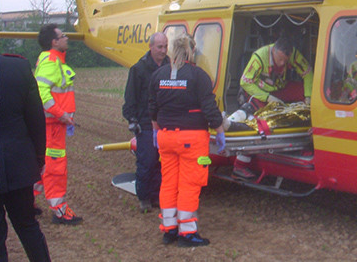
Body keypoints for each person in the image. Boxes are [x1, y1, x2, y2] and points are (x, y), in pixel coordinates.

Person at [148, 34, 225, 247]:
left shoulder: (159, 75)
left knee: (169, 182)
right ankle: (188, 232)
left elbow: (152, 107)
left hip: (165, 136)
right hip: (192, 138)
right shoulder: (199, 76)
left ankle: (169, 229)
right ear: (193, 51)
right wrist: (219, 130)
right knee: (190, 184)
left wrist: (156, 130)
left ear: (173, 50)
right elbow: (209, 108)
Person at [231, 36, 313, 178]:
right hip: (260, 92)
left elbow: (307, 72)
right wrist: (267, 98)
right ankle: (239, 165)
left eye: (285, 61)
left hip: (279, 88)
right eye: (279, 59)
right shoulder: (259, 56)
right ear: (273, 50)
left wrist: (308, 97)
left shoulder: (293, 55)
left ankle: (309, 132)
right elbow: (245, 82)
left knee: (303, 91)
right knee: (255, 122)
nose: (282, 63)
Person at [0, 52, 52, 262]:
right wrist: (39, 158)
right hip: (17, 164)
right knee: (28, 227)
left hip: (15, 164)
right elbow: (36, 118)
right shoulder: (18, 68)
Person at [33, 24, 82, 225]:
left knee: (42, 166)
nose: (66, 38)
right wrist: (60, 114)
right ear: (54, 42)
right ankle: (60, 210)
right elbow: (41, 92)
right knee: (55, 169)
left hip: (53, 125)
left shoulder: (52, 60)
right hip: (52, 126)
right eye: (63, 36)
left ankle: (28, 201)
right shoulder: (52, 62)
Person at [122, 32, 169, 212]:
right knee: (147, 162)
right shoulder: (139, 69)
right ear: (151, 47)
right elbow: (130, 97)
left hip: (165, 122)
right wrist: (132, 120)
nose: (163, 50)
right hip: (146, 122)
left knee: (162, 163)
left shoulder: (170, 66)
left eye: (165, 46)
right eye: (159, 47)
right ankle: (144, 197)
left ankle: (157, 196)